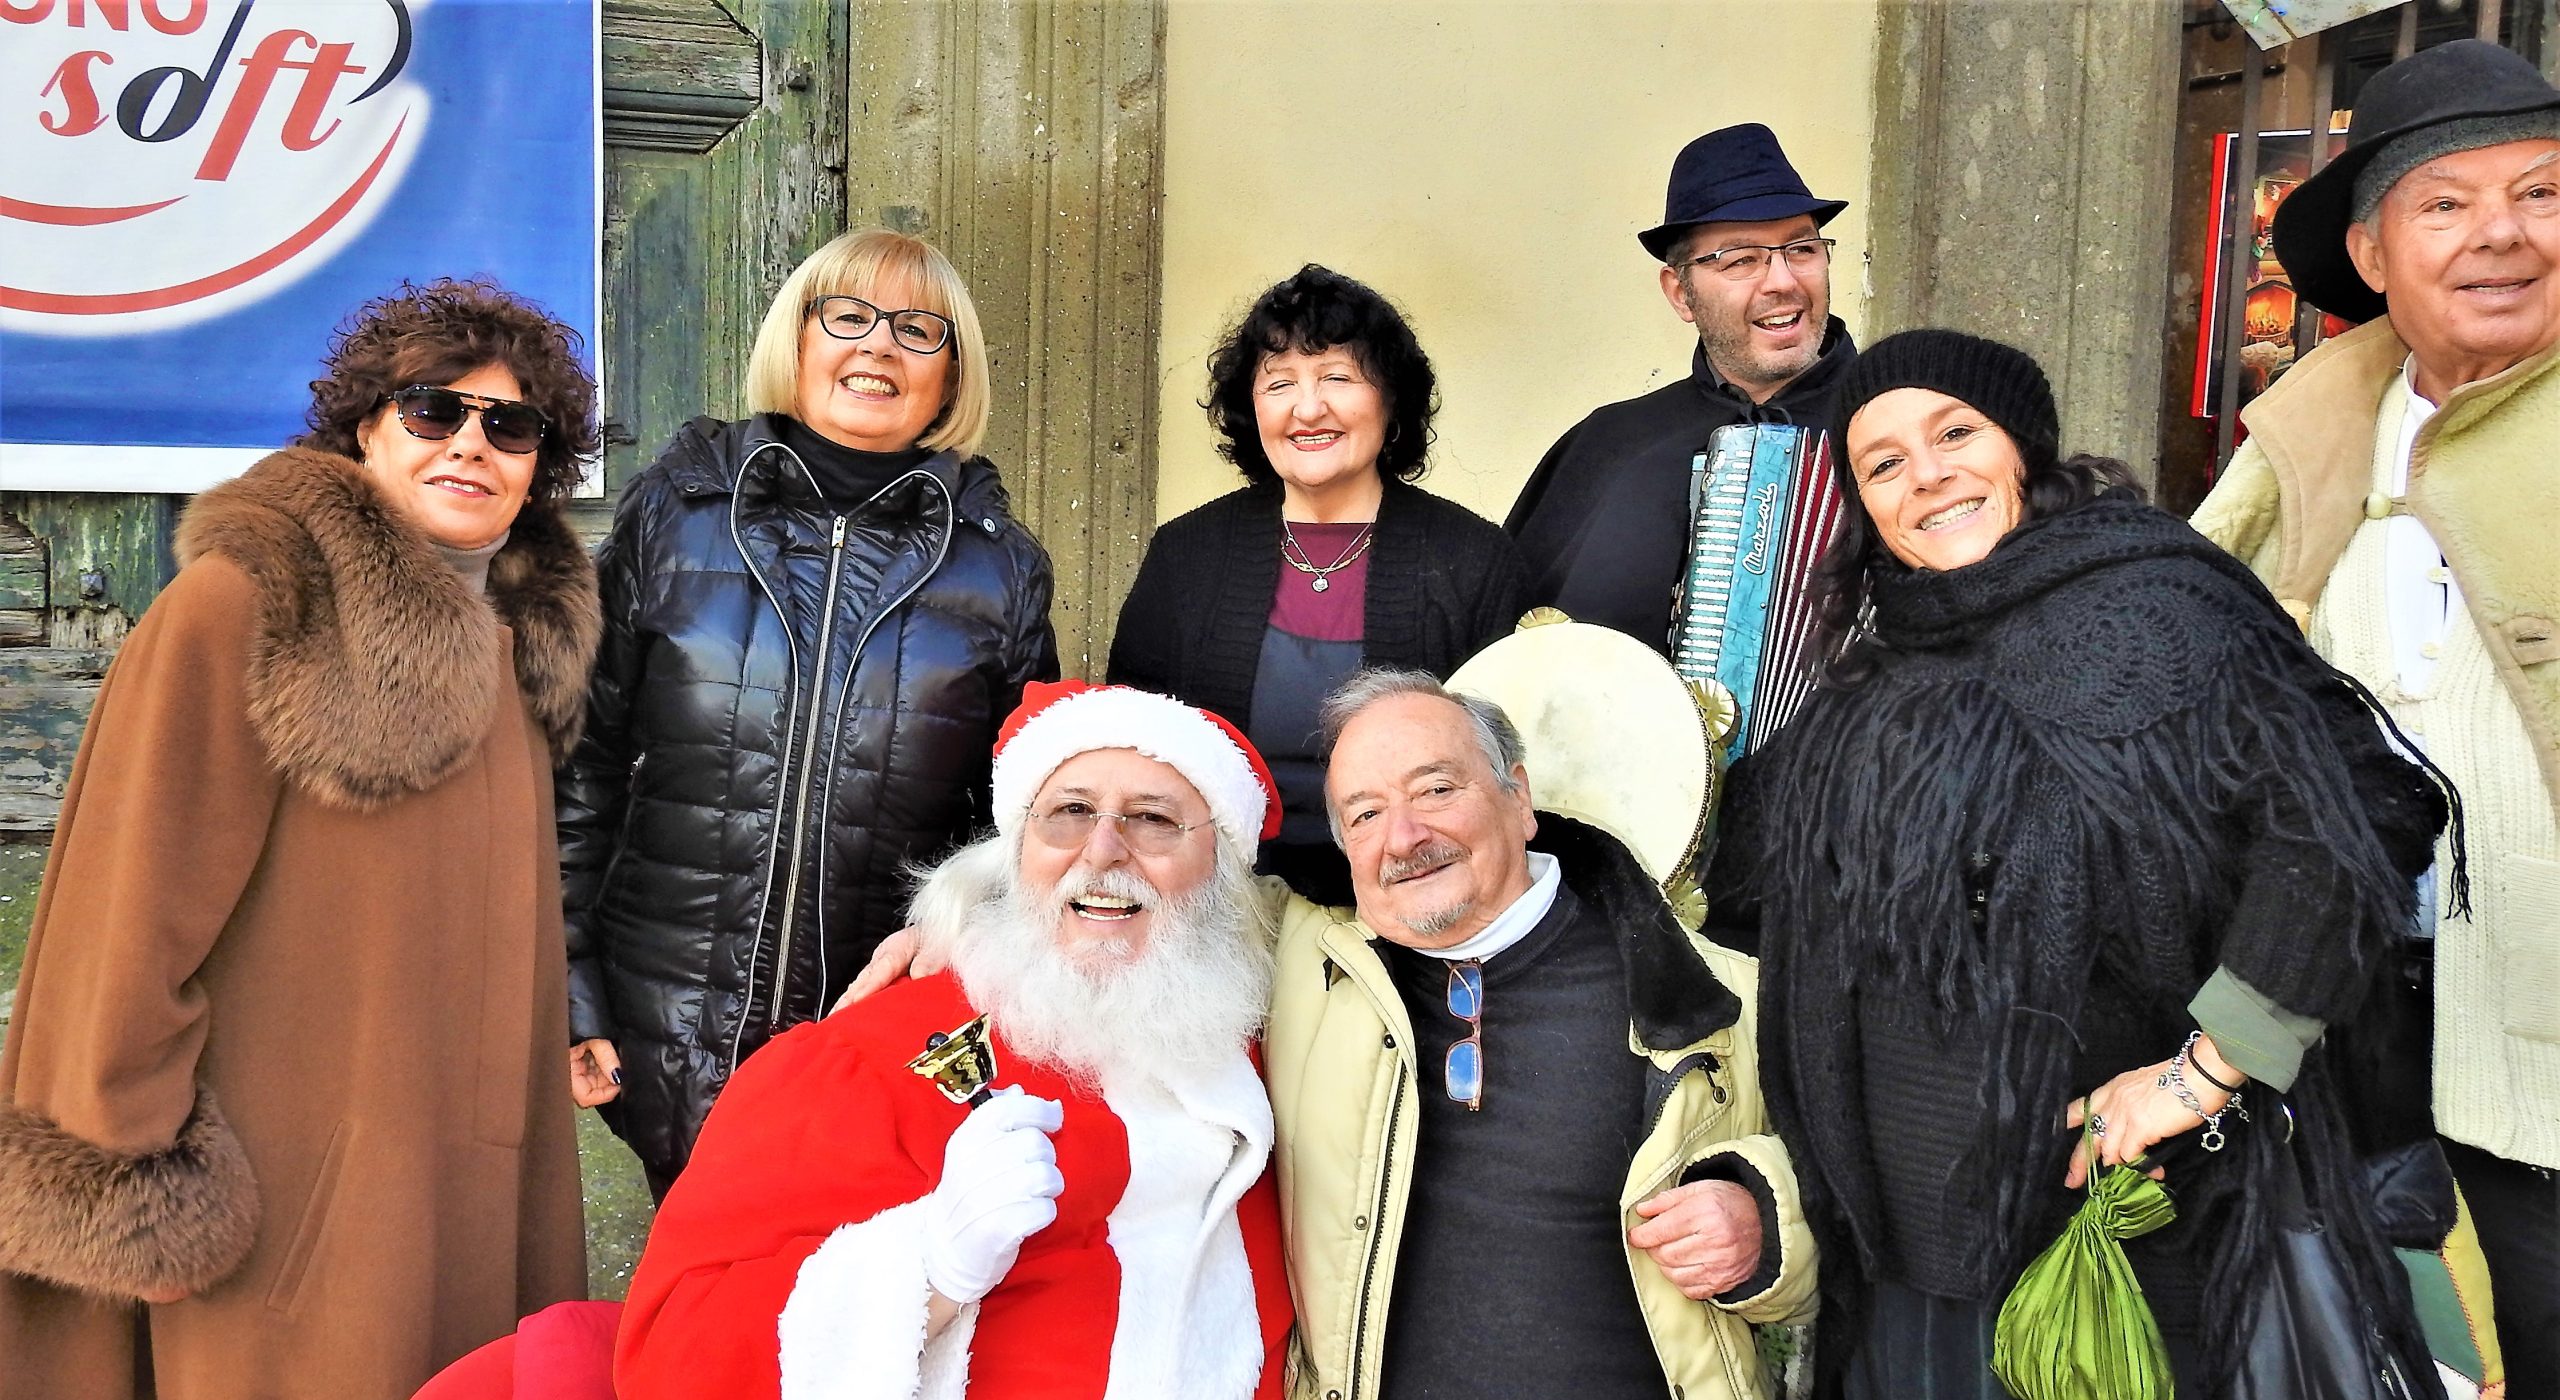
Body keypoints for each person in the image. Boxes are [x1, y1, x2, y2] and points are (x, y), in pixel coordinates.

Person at [843, 663, 1867, 1400]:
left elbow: (1836, 1216)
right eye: (1361, 812)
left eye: (1435, 788)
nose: (1401, 836)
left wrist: (1758, 1220)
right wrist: (948, 928)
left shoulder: (1720, 998)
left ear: (1519, 798)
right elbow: (1120, 889)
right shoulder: (1302, 965)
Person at [1711, 329, 2455, 1400]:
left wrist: (2207, 1067)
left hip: (2121, 1229)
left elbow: (2349, 817)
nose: (1926, 477)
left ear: (2021, 446)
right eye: (1883, 461)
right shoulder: (1878, 656)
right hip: (1917, 1256)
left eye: (1955, 435)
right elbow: (1762, 894)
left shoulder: (2158, 607)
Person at [0, 279, 601, 1400]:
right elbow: (125, 910)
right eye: (436, 408)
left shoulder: (507, 638)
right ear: (361, 431)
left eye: (513, 429)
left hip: (471, 1200)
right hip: (307, 1224)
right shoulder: (247, 605)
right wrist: (130, 1169)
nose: (471, 446)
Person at [614, 681, 1313, 1400]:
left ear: (1221, 868)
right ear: (1014, 851)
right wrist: (924, 1273)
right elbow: (670, 1361)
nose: (1103, 853)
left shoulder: (1278, 1048)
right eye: (1069, 813)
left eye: (1153, 820)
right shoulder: (872, 1057)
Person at [2193, 38, 2560, 1400]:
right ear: (2366, 250)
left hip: (2540, 1054)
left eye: (2545, 195)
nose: (2505, 233)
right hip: (2340, 1044)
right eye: (2451, 202)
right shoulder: (2310, 437)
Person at [558, 227, 1058, 1197]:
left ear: (952, 378)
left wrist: (960, 1035)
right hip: (668, 1029)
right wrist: (573, 991)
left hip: (877, 1044)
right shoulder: (679, 512)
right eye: (849, 315)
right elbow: (583, 759)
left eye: (919, 329)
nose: (877, 346)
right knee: (698, 1322)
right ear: (799, 339)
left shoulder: (998, 566)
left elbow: (1014, 838)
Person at [1109, 264, 1522, 894]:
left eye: (1337, 377)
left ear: (1389, 399)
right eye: (1279, 383)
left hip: (1417, 901)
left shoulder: (1473, 558)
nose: (1308, 408)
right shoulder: (1187, 554)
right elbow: (1129, 744)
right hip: (1215, 903)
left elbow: (1502, 771)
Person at [1506, 124, 1858, 652]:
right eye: (1742, 260)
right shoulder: (1611, 443)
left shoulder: (1903, 424)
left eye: (1802, 249)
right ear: (1681, 294)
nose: (1783, 281)